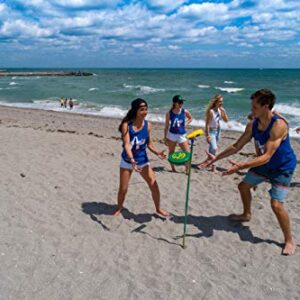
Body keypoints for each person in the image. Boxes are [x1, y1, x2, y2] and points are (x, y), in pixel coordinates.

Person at [204, 89, 297, 255]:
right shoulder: (252, 124)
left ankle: (289, 240)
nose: (251, 109)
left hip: (282, 167)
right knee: (243, 186)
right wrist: (215, 159)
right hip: (264, 164)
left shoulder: (279, 125)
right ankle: (246, 214)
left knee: (276, 204)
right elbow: (236, 146)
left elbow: (267, 156)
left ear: (266, 106)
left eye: (255, 106)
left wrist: (239, 166)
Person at [114, 98, 170, 217]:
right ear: (135, 111)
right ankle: (119, 208)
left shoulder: (148, 125)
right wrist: (132, 159)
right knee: (123, 189)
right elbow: (127, 144)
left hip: (143, 161)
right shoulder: (126, 125)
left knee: (154, 184)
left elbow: (149, 143)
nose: (145, 112)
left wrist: (158, 152)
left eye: (146, 109)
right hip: (128, 160)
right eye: (142, 110)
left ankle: (158, 209)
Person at [198, 94, 229, 171]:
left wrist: (224, 111)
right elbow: (207, 125)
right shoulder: (211, 112)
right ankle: (211, 165)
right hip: (211, 131)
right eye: (220, 101)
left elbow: (226, 120)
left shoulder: (219, 110)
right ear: (215, 102)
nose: (221, 103)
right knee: (214, 148)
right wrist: (207, 136)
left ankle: (212, 166)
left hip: (218, 131)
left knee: (212, 150)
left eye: (222, 101)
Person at [164, 95, 192, 174]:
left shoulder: (184, 111)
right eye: (179, 102)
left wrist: (185, 124)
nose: (181, 104)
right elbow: (166, 126)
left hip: (182, 135)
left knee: (187, 152)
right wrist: (165, 137)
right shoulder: (169, 113)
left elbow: (190, 118)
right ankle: (173, 168)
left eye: (182, 102)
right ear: (174, 103)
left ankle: (187, 169)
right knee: (171, 152)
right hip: (172, 134)